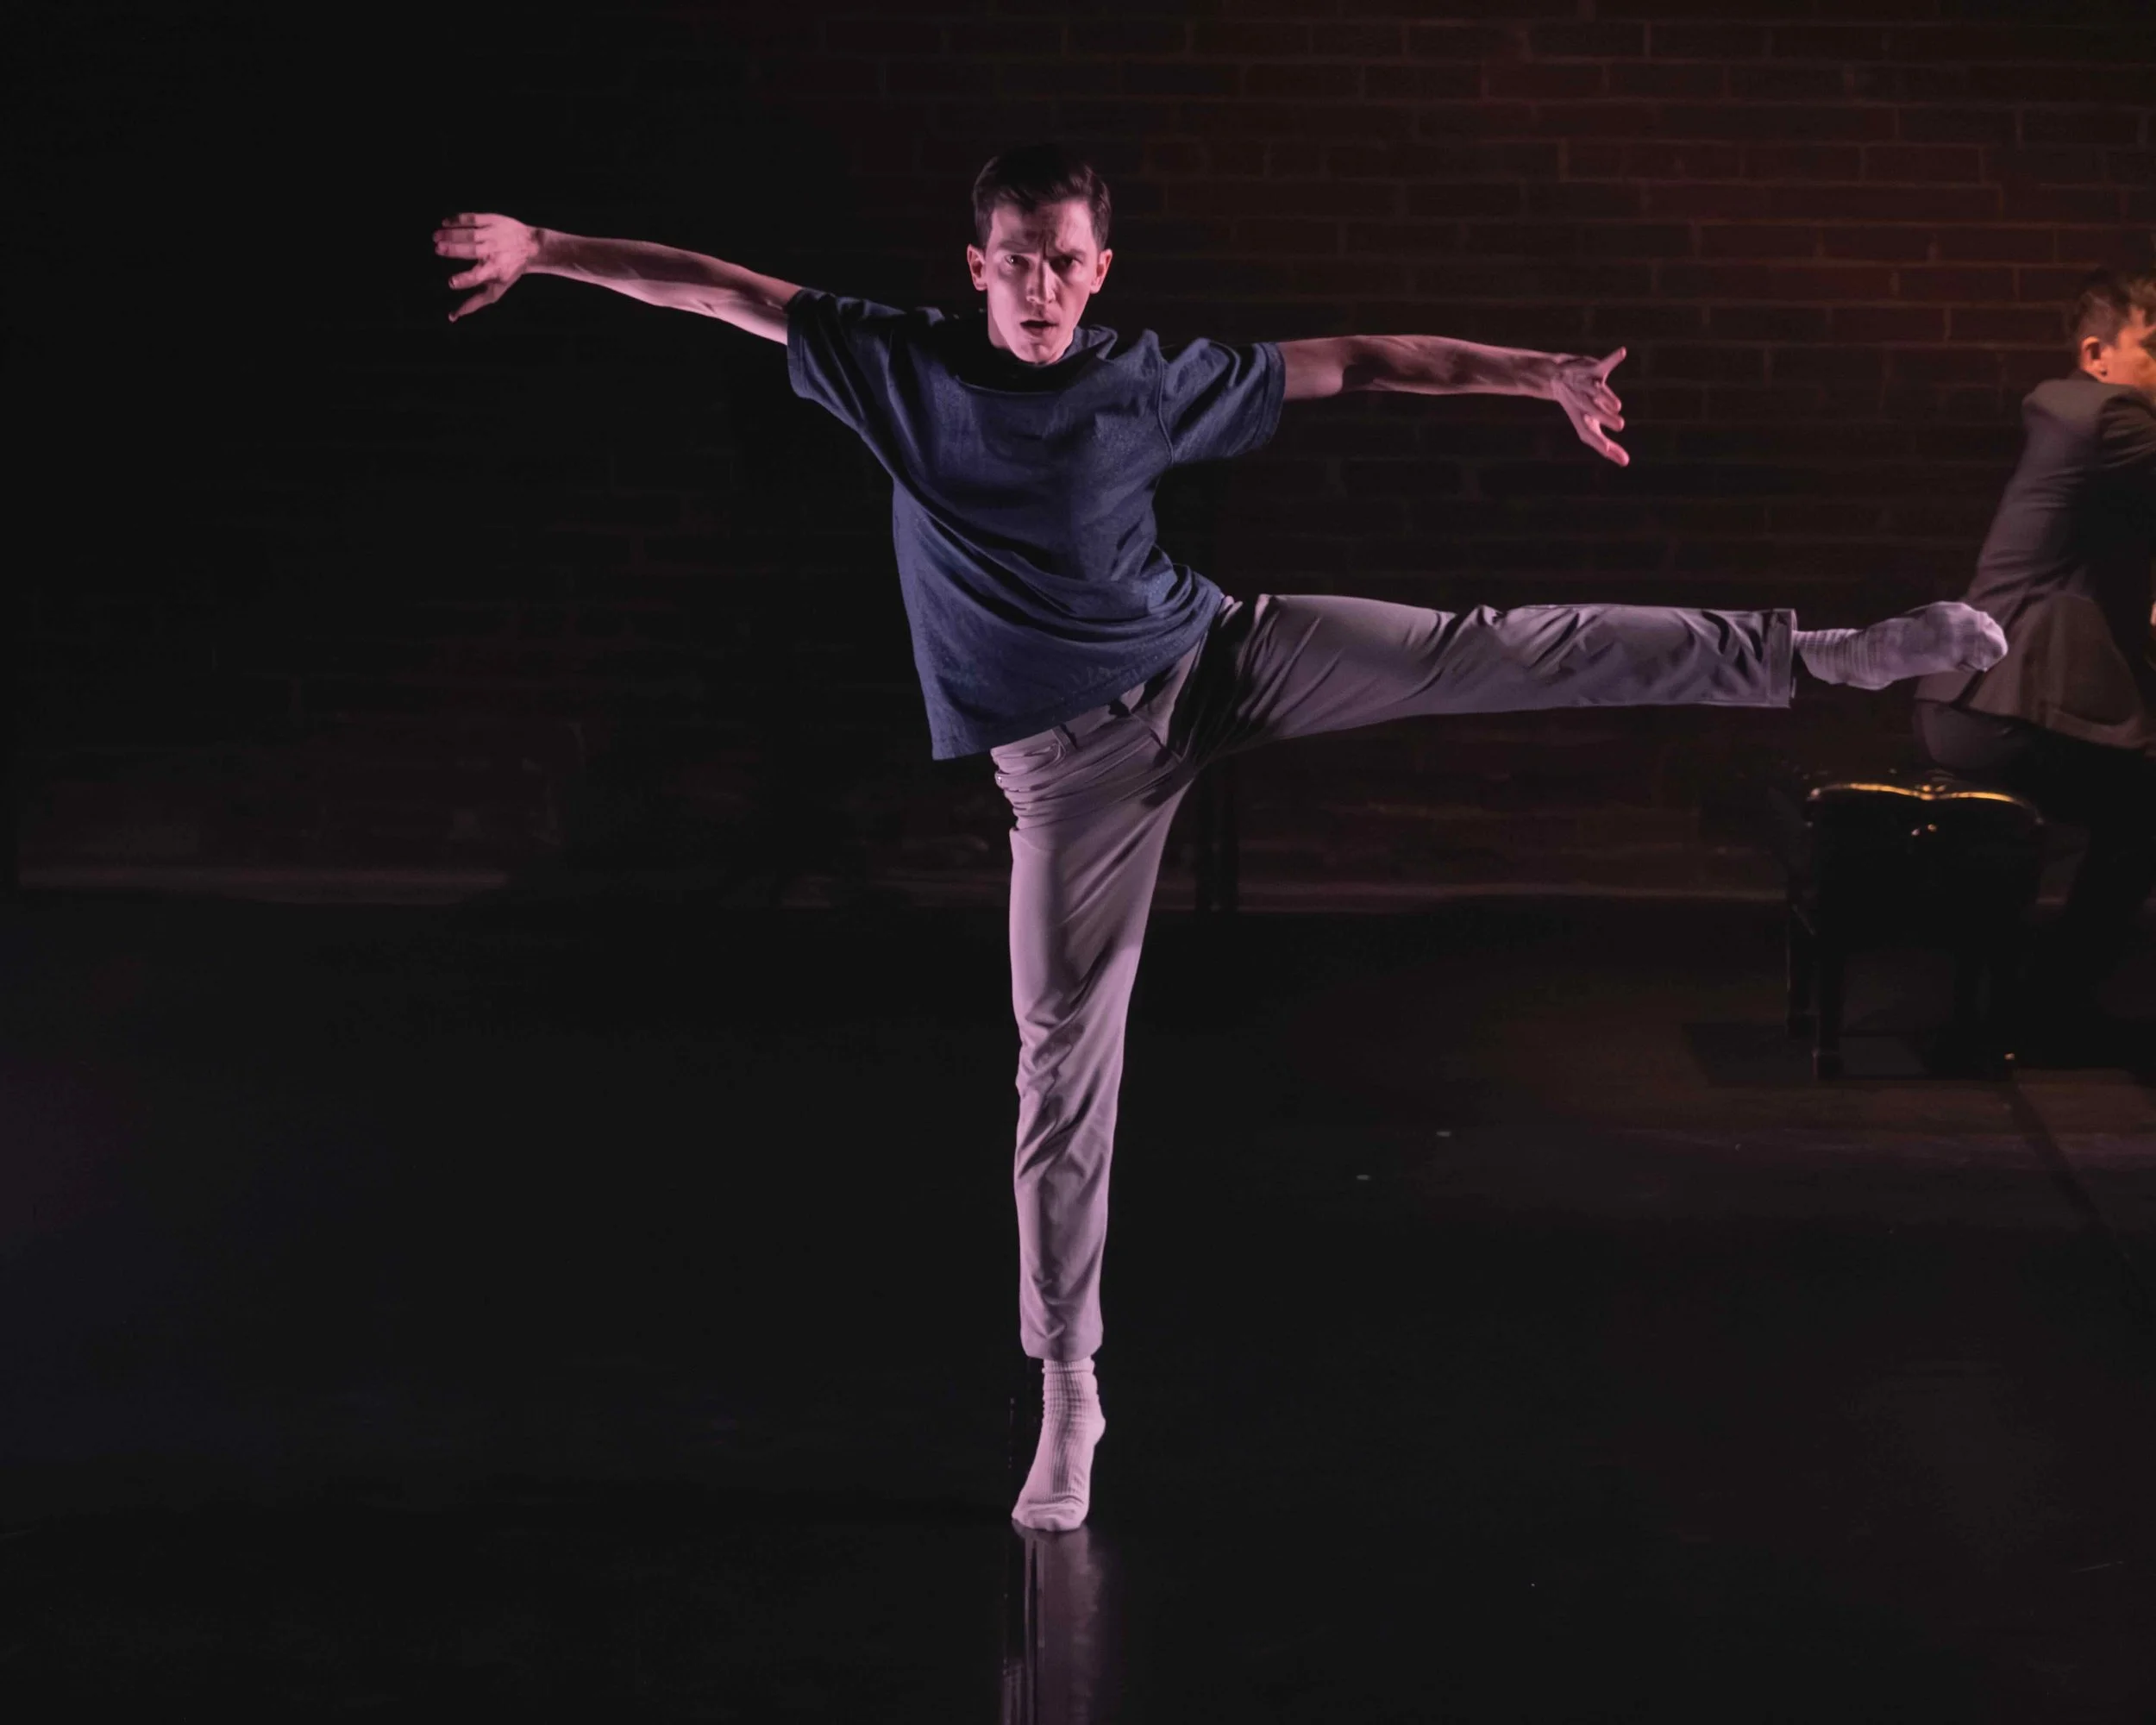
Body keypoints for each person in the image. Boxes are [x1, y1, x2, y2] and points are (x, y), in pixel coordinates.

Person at [436, 143, 2005, 1531]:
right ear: (973, 266)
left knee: (1497, 643)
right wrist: (548, 251)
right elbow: (722, 290)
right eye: (1017, 261)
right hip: (1070, 773)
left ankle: (1830, 652)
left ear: (1098, 269)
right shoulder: (896, 364)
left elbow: (1373, 360)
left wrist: (1538, 372)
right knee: (1060, 1061)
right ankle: (1070, 1391)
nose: (1043, 287)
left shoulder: (1146, 376)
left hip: (1219, 660)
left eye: (1068, 262)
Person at [1914, 267, 2156, 1030]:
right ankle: (2049, 1002)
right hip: (1997, 707)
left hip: (1985, 700)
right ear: (2097, 353)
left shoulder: (2106, 437)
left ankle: (2048, 993)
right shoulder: (2101, 411)